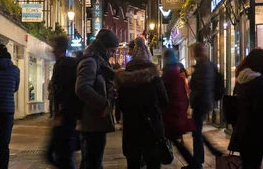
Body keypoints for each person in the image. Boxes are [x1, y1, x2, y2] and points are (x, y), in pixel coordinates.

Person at [116, 37, 169, 169]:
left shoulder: (124, 79)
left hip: (131, 128)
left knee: (133, 163)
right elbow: (164, 101)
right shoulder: (155, 78)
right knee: (153, 163)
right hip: (153, 127)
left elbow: (120, 105)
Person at [76, 29, 119, 169]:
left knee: (92, 162)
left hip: (96, 122)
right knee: (92, 162)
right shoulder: (90, 61)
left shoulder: (99, 61)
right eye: (112, 50)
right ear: (104, 47)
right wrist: (104, 104)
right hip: (91, 123)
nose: (113, 54)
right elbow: (82, 88)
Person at [228, 49, 263, 169]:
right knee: (254, 164)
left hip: (242, 129)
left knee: (247, 163)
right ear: (261, 62)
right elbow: (260, 109)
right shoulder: (260, 81)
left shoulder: (241, 79)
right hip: (255, 132)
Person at [47, 35, 80, 169]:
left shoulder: (63, 65)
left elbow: (64, 90)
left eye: (54, 47)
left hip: (65, 116)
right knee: (61, 154)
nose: (52, 51)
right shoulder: (67, 63)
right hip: (67, 115)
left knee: (60, 155)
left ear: (60, 48)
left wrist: (60, 113)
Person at [162, 50, 197, 166]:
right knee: (176, 141)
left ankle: (194, 163)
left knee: (174, 140)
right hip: (177, 109)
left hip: (172, 111)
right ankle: (193, 163)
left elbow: (167, 94)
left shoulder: (169, 72)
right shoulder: (175, 71)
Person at [188, 42, 216, 169]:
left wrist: (192, 97)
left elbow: (197, 86)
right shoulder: (208, 64)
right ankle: (200, 158)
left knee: (196, 132)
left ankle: (198, 161)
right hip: (205, 101)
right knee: (197, 131)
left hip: (200, 102)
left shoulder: (201, 66)